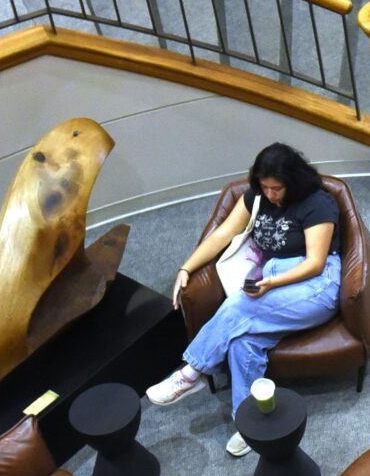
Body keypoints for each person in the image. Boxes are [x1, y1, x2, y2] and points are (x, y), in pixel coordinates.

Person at [146, 143, 344, 456]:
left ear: (293, 181)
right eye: (264, 187)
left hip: (316, 285)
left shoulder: (317, 203)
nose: (270, 196)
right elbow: (222, 236)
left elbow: (315, 263)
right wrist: (187, 267)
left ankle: (191, 372)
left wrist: (270, 282)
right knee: (244, 342)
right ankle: (250, 422)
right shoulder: (254, 198)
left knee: (242, 304)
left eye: (276, 188)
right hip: (276, 282)